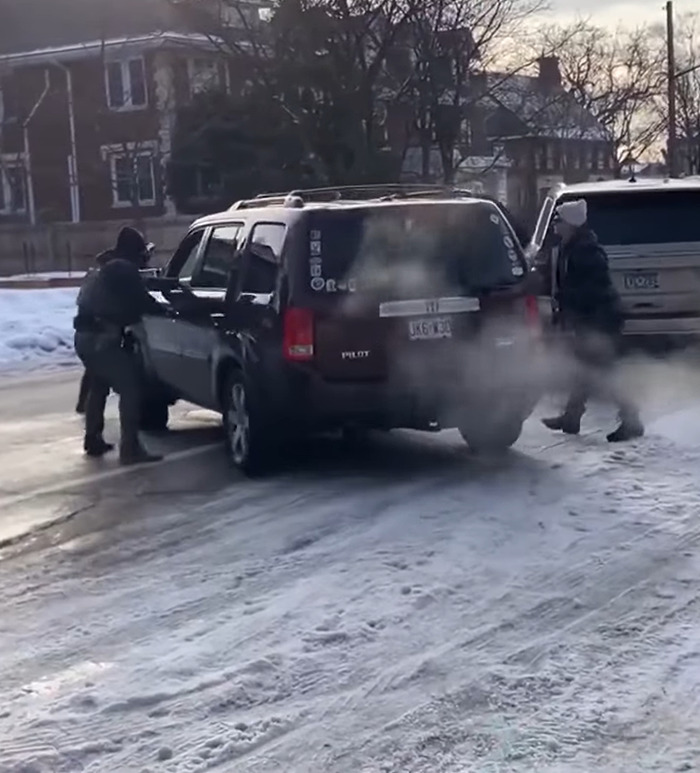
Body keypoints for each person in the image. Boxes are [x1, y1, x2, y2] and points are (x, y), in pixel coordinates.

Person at [542, 199, 644, 443]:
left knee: (605, 373)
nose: (555, 226)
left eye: (559, 222)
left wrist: (567, 299)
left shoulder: (586, 250)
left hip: (600, 321)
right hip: (591, 319)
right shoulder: (573, 246)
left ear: (571, 225)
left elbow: (593, 289)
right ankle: (571, 417)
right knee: (584, 369)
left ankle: (632, 422)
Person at [74, 226, 164, 464]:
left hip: (85, 338)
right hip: (101, 339)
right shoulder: (123, 269)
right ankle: (130, 448)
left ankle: (92, 439)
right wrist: (166, 309)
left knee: (99, 384)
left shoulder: (105, 267)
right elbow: (140, 301)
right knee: (131, 388)